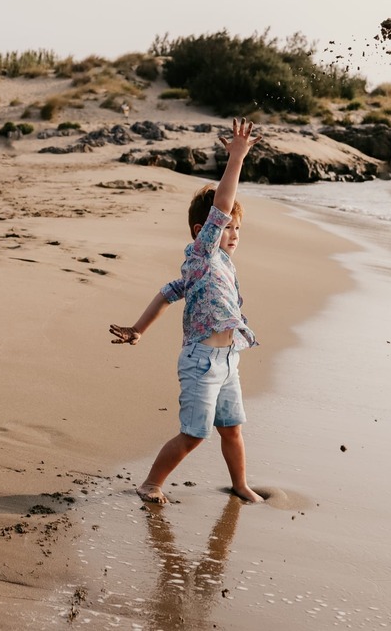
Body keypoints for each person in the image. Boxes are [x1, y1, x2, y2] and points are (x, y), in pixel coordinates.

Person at [108, 118, 264, 504]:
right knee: (195, 433)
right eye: (228, 227)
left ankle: (240, 484)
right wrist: (237, 158)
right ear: (202, 230)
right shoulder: (203, 254)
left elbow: (167, 293)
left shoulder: (216, 265)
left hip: (228, 360)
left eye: (237, 229)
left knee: (232, 428)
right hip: (201, 362)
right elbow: (222, 205)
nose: (233, 233)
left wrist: (139, 328)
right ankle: (151, 483)